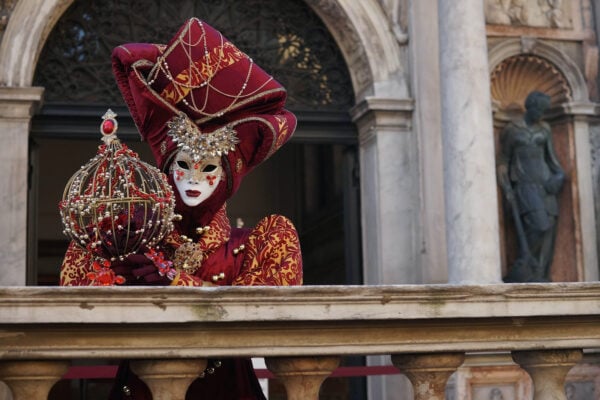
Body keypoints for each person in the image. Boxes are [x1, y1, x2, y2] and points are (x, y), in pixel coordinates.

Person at [60, 18, 302, 399]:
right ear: (166, 170)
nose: (193, 179)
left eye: (208, 168)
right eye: (183, 166)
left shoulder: (261, 241)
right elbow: (72, 304)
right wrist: (115, 272)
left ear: (227, 177)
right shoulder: (136, 236)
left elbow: (273, 319)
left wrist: (178, 282)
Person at [497, 91, 565, 282]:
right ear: (530, 107)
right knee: (539, 226)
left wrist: (559, 177)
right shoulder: (512, 130)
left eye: (544, 111)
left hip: (545, 184)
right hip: (524, 186)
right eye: (539, 109)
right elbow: (504, 159)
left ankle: (538, 273)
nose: (541, 114)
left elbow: (552, 160)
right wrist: (505, 182)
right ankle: (523, 262)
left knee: (548, 230)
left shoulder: (544, 130)